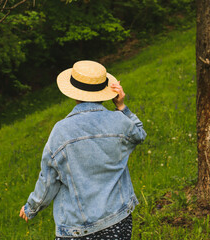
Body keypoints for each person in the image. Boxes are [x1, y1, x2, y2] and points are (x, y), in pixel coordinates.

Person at [19, 60, 146, 240]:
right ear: (105, 93)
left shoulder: (61, 131)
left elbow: (49, 181)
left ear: (74, 94)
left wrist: (31, 207)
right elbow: (139, 134)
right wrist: (121, 106)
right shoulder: (119, 121)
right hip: (118, 219)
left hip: (79, 229)